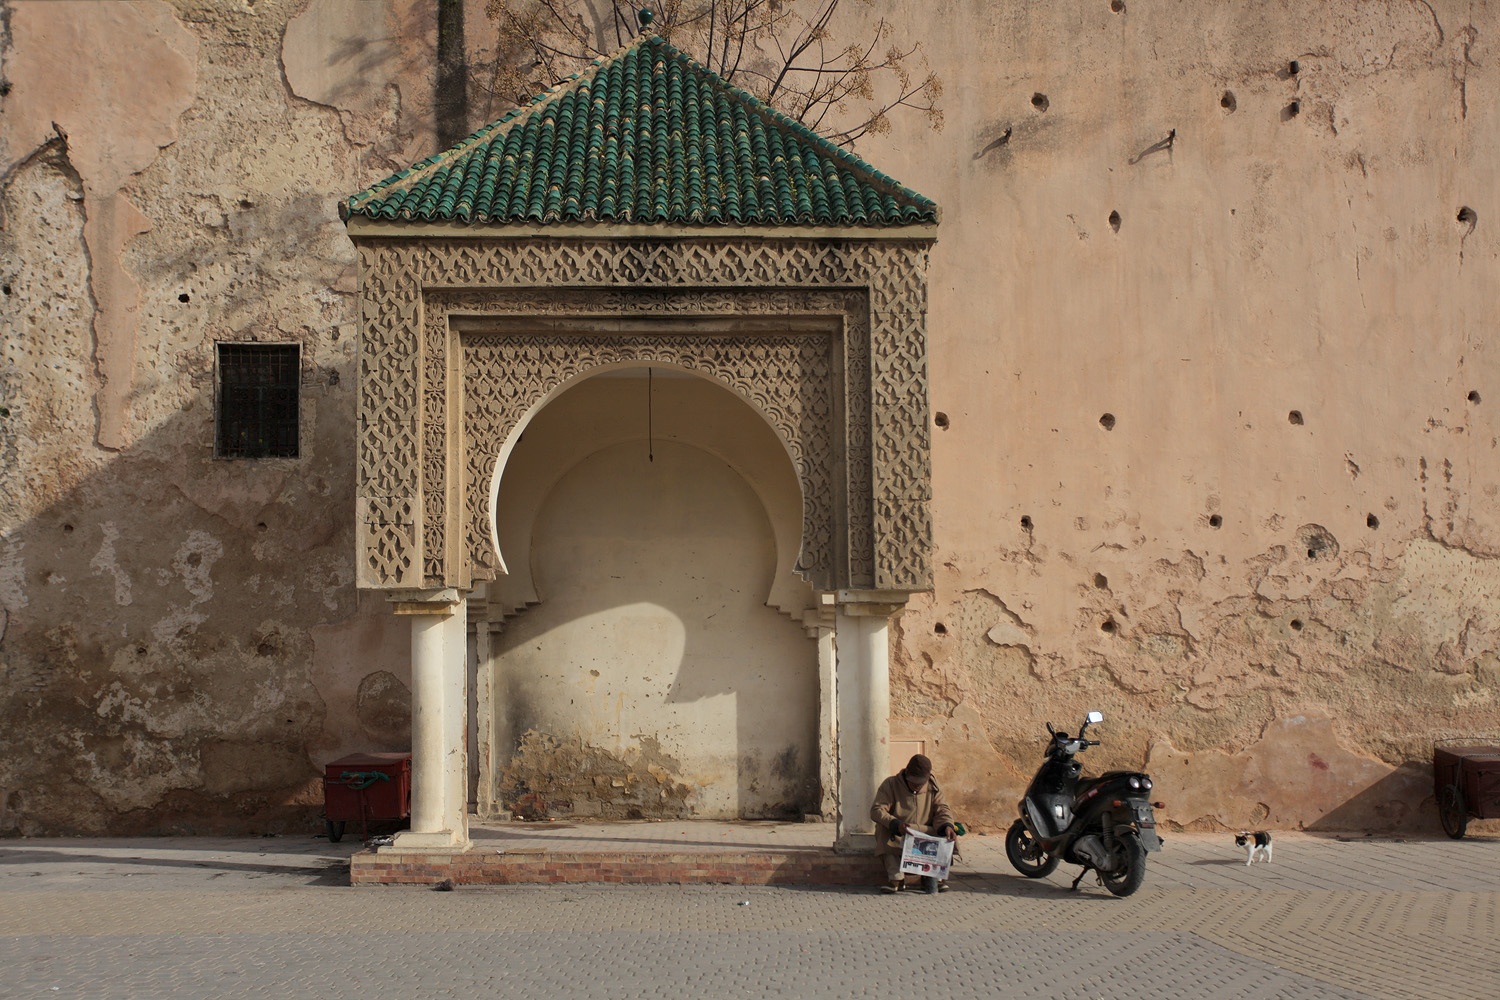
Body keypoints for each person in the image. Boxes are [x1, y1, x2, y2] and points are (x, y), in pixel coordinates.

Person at [871, 753, 957, 893]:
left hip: (925, 831)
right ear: (906, 775)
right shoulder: (890, 784)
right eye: (913, 782)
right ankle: (896, 879)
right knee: (883, 830)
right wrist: (895, 823)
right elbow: (877, 810)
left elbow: (942, 810)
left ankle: (935, 878)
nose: (917, 786)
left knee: (947, 832)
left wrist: (947, 826)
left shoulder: (933, 787)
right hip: (902, 831)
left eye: (920, 783)